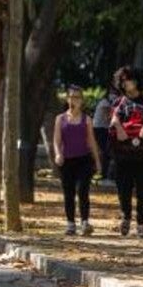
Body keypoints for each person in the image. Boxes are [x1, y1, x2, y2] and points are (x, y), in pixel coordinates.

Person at [108, 66, 143, 238]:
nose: (127, 83)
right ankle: (126, 217)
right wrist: (118, 126)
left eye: (130, 79)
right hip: (124, 156)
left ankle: (141, 225)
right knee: (123, 191)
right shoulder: (119, 102)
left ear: (137, 80)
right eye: (123, 81)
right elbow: (113, 120)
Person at [52, 86, 103, 236]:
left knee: (83, 191)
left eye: (78, 97)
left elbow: (91, 141)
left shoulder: (87, 119)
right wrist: (57, 154)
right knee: (68, 193)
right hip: (67, 160)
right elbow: (56, 140)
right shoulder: (60, 119)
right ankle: (70, 223)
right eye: (72, 97)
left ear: (82, 101)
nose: (75, 100)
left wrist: (97, 161)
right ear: (67, 99)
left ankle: (85, 222)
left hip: (84, 160)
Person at [92, 85, 119, 181]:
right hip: (99, 129)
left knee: (107, 151)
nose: (114, 96)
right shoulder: (105, 103)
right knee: (105, 152)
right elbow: (108, 118)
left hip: (104, 129)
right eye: (113, 93)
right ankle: (102, 173)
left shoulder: (108, 103)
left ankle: (104, 173)